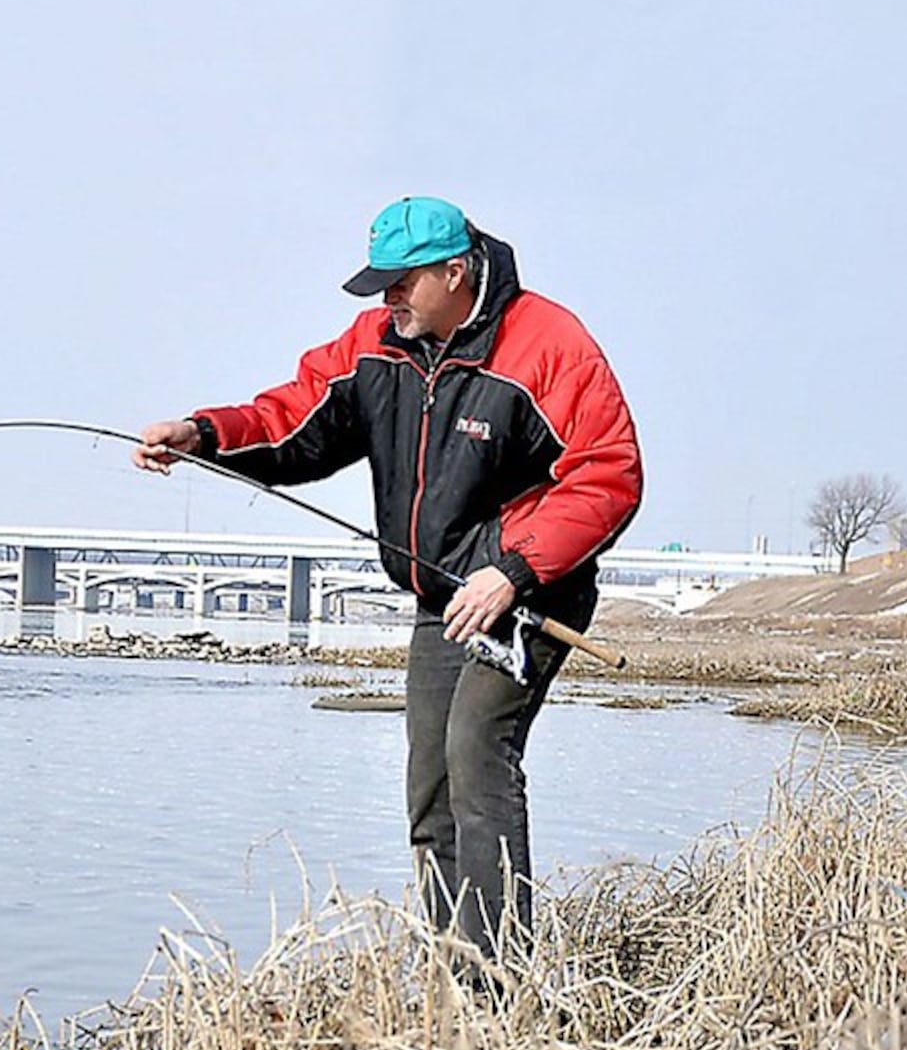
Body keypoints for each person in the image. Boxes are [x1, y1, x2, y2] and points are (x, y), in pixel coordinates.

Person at [134, 196, 642, 967]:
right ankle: (454, 969)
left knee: (477, 750)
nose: (387, 298)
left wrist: (511, 571)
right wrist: (204, 434)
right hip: (442, 600)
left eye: (402, 282)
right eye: (380, 285)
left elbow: (607, 475)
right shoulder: (376, 344)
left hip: (532, 592)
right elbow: (295, 420)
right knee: (429, 786)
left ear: (455, 270)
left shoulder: (550, 344)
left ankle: (502, 983)